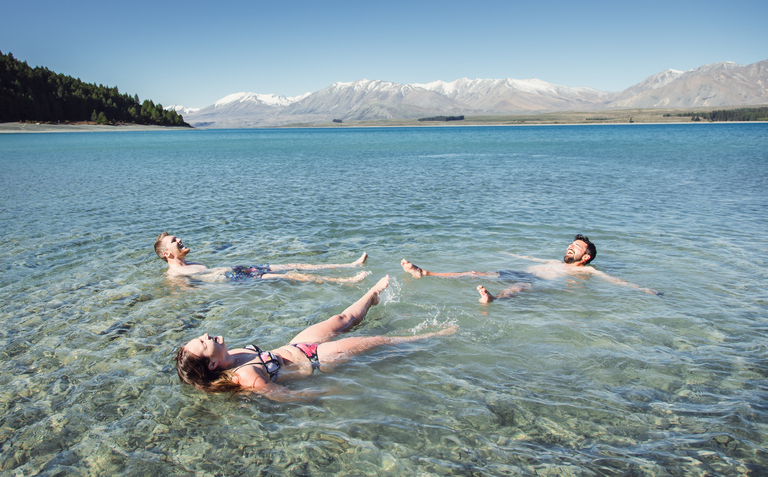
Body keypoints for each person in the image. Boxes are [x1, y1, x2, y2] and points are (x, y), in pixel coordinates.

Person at [175, 275, 457, 401]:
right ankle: (433, 336)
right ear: (211, 365)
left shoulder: (235, 352)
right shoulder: (245, 376)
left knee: (342, 320)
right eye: (201, 343)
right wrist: (327, 393)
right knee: (378, 341)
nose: (204, 335)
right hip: (315, 361)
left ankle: (370, 296)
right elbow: (281, 395)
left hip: (297, 345)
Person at [401, 234, 661, 303]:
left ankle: (494, 299)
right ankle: (426, 273)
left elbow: (613, 280)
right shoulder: (553, 262)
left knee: (521, 287)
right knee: (476, 272)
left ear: (586, 257)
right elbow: (524, 256)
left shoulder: (586, 272)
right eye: (570, 244)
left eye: (577, 247)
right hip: (525, 272)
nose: (571, 248)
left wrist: (642, 289)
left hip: (535, 282)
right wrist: (508, 253)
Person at [154, 231, 368, 283]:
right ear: (166, 253)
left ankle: (349, 264)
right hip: (237, 279)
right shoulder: (175, 274)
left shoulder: (190, 264)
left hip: (240, 269)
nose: (179, 239)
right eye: (174, 240)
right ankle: (345, 281)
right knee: (290, 275)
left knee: (293, 264)